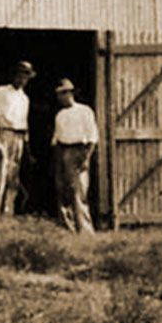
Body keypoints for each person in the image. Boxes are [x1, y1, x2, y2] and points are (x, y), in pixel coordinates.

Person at [49, 77, 98, 233]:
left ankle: (85, 230)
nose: (60, 98)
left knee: (79, 191)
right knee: (62, 191)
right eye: (58, 95)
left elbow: (93, 137)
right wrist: (57, 161)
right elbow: (56, 139)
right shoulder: (60, 115)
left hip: (79, 151)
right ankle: (67, 228)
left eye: (62, 94)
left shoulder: (85, 111)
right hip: (62, 151)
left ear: (70, 93)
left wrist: (86, 158)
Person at [0, 60, 33, 217]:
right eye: (20, 75)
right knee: (0, 173)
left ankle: (8, 211)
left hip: (19, 136)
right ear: (14, 75)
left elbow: (25, 121)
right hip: (4, 133)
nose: (22, 80)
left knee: (13, 175)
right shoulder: (0, 92)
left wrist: (26, 142)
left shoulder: (25, 98)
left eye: (26, 77)